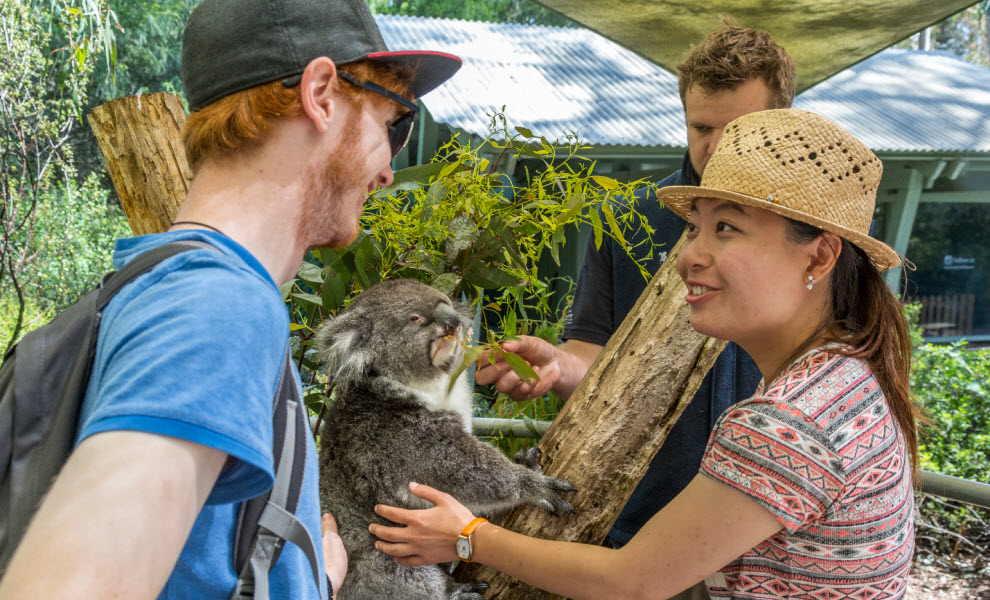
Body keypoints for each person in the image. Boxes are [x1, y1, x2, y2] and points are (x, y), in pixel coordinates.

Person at [0, 0, 459, 598]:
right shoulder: (217, 308)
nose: (389, 170)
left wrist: (306, 578)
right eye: (394, 123)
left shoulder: (153, 278)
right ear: (321, 93)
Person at [370, 108, 922, 600]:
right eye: (693, 228)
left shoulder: (787, 423)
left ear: (819, 257)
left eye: (725, 228)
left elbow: (633, 581)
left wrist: (468, 537)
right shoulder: (849, 374)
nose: (688, 258)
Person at [476, 22, 797, 566]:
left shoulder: (815, 232)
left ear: (782, 122)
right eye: (701, 128)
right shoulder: (630, 223)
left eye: (737, 129)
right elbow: (592, 353)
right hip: (638, 527)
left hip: (769, 543)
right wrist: (556, 363)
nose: (716, 148)